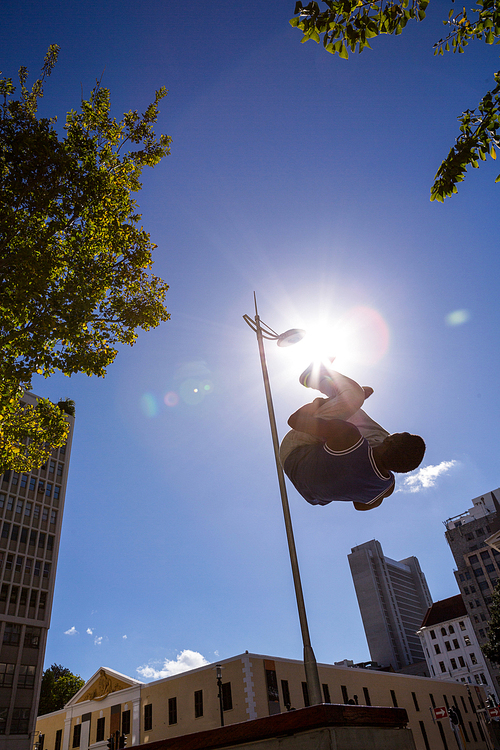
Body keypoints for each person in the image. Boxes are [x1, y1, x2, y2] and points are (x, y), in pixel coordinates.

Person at [279, 361, 425, 511]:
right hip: (312, 494)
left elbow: (295, 420)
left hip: (296, 451)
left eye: (402, 434)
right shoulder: (386, 488)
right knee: (366, 431)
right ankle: (344, 405)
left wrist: (322, 403)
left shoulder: (349, 438)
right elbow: (360, 505)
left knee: (354, 397)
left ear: (392, 440)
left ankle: (319, 381)